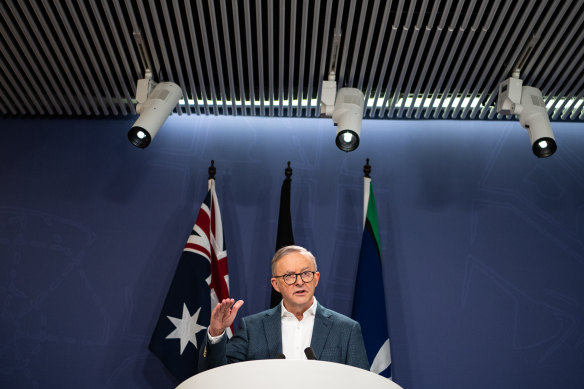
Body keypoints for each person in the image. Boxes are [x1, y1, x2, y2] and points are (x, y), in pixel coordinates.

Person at [198, 245, 370, 371]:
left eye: (306, 273)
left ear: (316, 278)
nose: (300, 281)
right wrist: (216, 333)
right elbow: (219, 376)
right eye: (289, 276)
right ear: (276, 284)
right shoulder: (252, 328)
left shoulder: (346, 329)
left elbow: (362, 383)